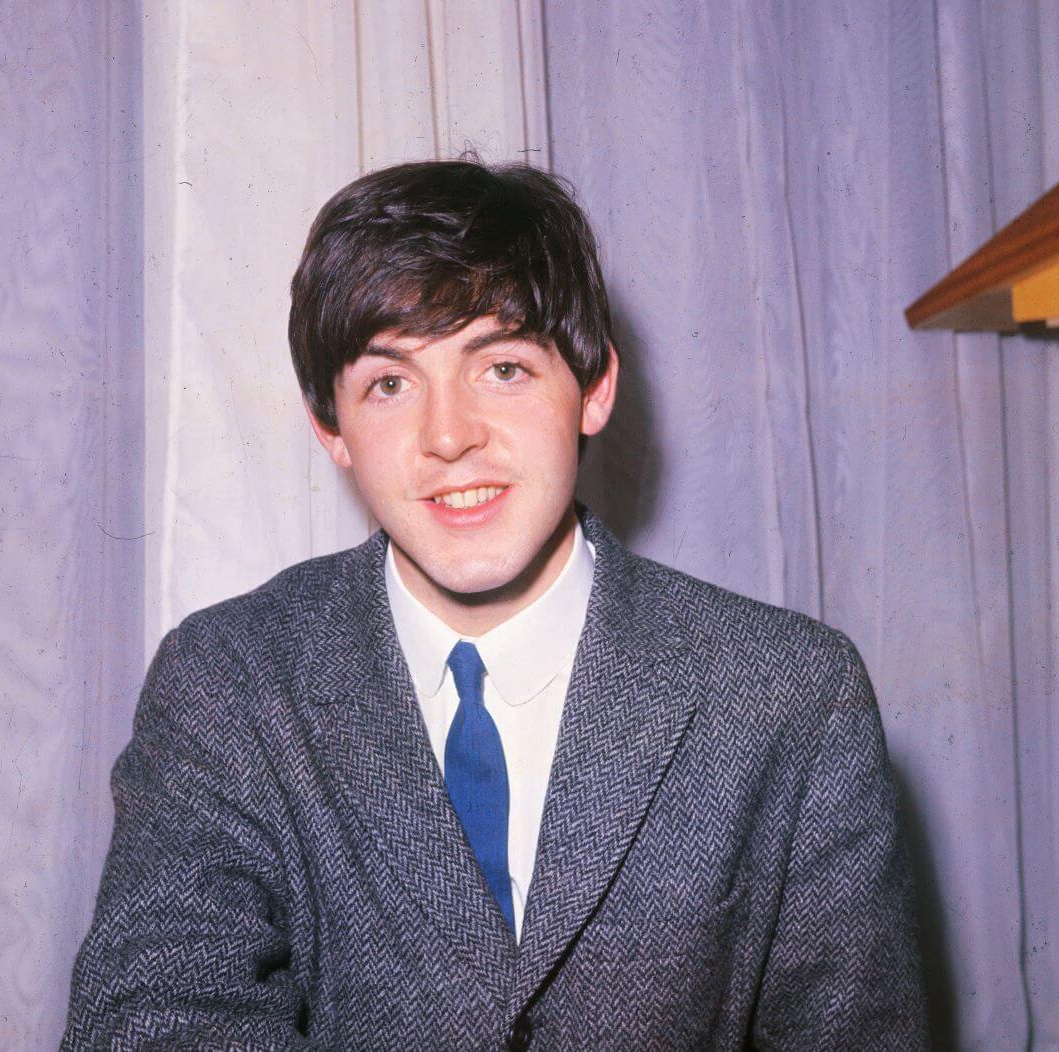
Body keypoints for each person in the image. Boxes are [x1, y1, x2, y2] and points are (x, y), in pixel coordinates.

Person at [61, 158, 928, 1050]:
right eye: (389, 384)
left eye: (503, 368)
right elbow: (152, 1023)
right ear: (332, 430)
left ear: (593, 389)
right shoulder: (229, 682)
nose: (448, 437)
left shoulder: (790, 694)